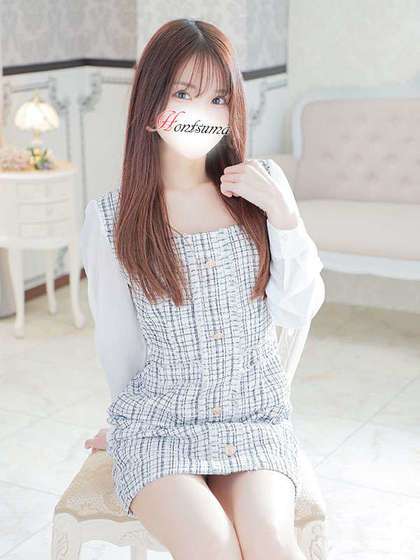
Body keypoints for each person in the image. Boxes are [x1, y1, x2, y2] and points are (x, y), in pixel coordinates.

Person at [80, 18, 325, 560]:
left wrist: (284, 217)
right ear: (150, 106)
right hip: (159, 426)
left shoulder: (260, 188)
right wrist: (120, 421)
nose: (203, 113)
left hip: (254, 416)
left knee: (273, 543)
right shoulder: (111, 219)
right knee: (212, 547)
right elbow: (120, 347)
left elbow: (299, 307)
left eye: (218, 98)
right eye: (184, 94)